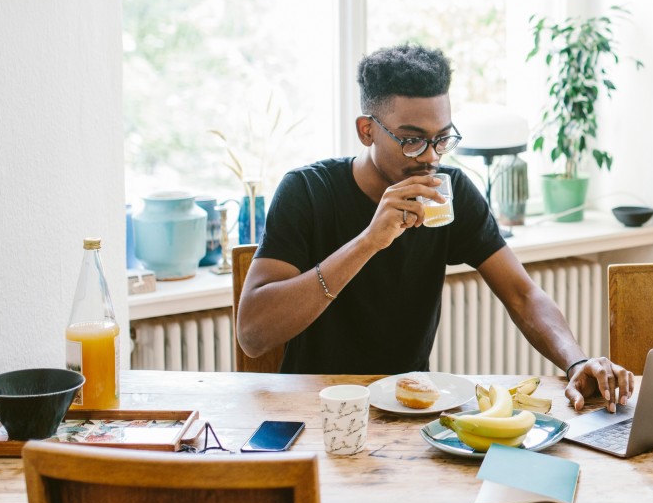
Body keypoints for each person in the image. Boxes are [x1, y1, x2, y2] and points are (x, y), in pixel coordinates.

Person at [236, 44, 631, 412]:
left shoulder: (452, 191)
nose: (430, 157)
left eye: (442, 139)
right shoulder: (307, 191)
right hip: (318, 404)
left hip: (410, 405)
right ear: (366, 130)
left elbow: (523, 294)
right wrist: (369, 241)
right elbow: (253, 335)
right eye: (411, 141)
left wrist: (576, 359)